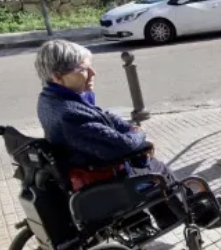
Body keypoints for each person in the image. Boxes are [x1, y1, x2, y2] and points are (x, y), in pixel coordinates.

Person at [34, 39, 178, 228]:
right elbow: (123, 146)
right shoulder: (69, 112)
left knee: (145, 162)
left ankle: (161, 217)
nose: (93, 73)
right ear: (58, 77)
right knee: (157, 169)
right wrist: (141, 136)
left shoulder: (51, 98)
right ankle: (194, 214)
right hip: (99, 173)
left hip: (88, 162)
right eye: (83, 69)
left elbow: (104, 116)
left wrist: (130, 128)